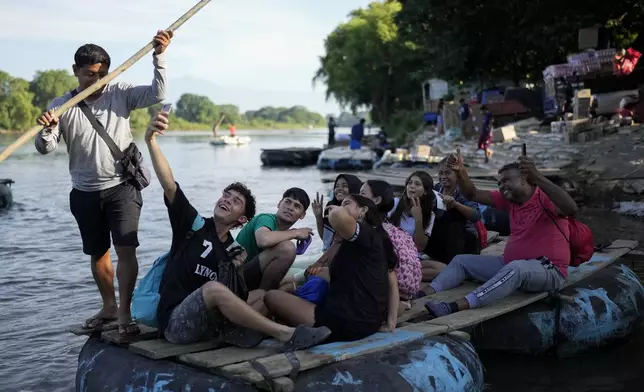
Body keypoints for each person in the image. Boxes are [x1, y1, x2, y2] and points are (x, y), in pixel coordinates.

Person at [145, 110, 331, 348]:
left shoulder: (232, 250)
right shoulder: (193, 225)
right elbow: (169, 183)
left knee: (262, 295)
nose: (226, 200)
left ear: (242, 219)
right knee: (213, 289)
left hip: (210, 323)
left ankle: (243, 334)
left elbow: (237, 297)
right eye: (226, 195)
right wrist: (151, 141)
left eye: (235, 201)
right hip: (177, 324)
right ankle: (286, 334)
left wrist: (238, 269)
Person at [34, 30, 173, 337]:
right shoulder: (62, 105)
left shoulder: (120, 91)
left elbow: (158, 95)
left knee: (126, 249)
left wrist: (159, 56)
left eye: (102, 74)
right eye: (89, 75)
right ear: (76, 71)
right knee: (98, 253)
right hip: (84, 192)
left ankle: (125, 314)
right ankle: (108, 307)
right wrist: (47, 129)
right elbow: (45, 148)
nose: (97, 80)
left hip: (122, 186)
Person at [423, 150, 578, 318]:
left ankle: (453, 306)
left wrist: (538, 177)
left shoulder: (546, 198)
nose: (502, 186)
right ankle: (423, 293)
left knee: (516, 268)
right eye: (499, 183)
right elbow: (473, 194)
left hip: (549, 270)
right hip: (508, 263)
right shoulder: (509, 200)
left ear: (525, 179)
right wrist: (461, 172)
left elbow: (571, 208)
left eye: (506, 181)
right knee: (462, 260)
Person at [263, 194, 397, 342]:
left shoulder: (365, 235)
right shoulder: (379, 237)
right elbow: (392, 284)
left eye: (346, 203)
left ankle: (286, 331)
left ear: (363, 210)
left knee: (271, 297)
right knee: (309, 282)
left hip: (342, 323)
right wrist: (391, 323)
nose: (342, 206)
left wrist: (335, 210)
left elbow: (337, 216)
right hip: (369, 323)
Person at [234, 188, 312, 307]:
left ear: (302, 215)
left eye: (297, 206)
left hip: (249, 276)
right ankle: (262, 299)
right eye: (287, 201)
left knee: (290, 284)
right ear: (279, 204)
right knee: (288, 249)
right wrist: (295, 233)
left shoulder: (282, 233)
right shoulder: (266, 218)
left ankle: (261, 298)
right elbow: (263, 240)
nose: (290, 207)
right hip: (234, 277)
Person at [360, 180, 421, 330]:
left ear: (377, 200)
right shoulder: (386, 227)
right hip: (399, 291)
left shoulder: (375, 232)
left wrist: (391, 324)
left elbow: (390, 276)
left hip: (387, 293)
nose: (356, 197)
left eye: (362, 194)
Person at [389, 171, 446, 282]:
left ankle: (398, 275)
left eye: (417, 184)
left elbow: (419, 248)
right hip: (391, 253)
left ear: (425, 191)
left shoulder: (430, 215)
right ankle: (399, 275)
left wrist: (418, 219)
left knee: (443, 269)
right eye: (410, 183)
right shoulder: (395, 204)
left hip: (410, 256)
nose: (412, 186)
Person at [426, 157, 483, 263]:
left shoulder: (464, 191)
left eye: (447, 173)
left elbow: (476, 216)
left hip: (463, 242)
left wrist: (456, 205)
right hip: (442, 241)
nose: (443, 177)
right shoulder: (437, 188)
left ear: (457, 175)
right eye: (440, 173)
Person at [313, 174, 362, 251]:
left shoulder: (359, 209)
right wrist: (318, 217)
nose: (339, 189)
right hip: (331, 254)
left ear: (354, 188)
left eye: (344, 186)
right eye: (337, 186)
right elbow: (326, 239)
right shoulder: (331, 206)